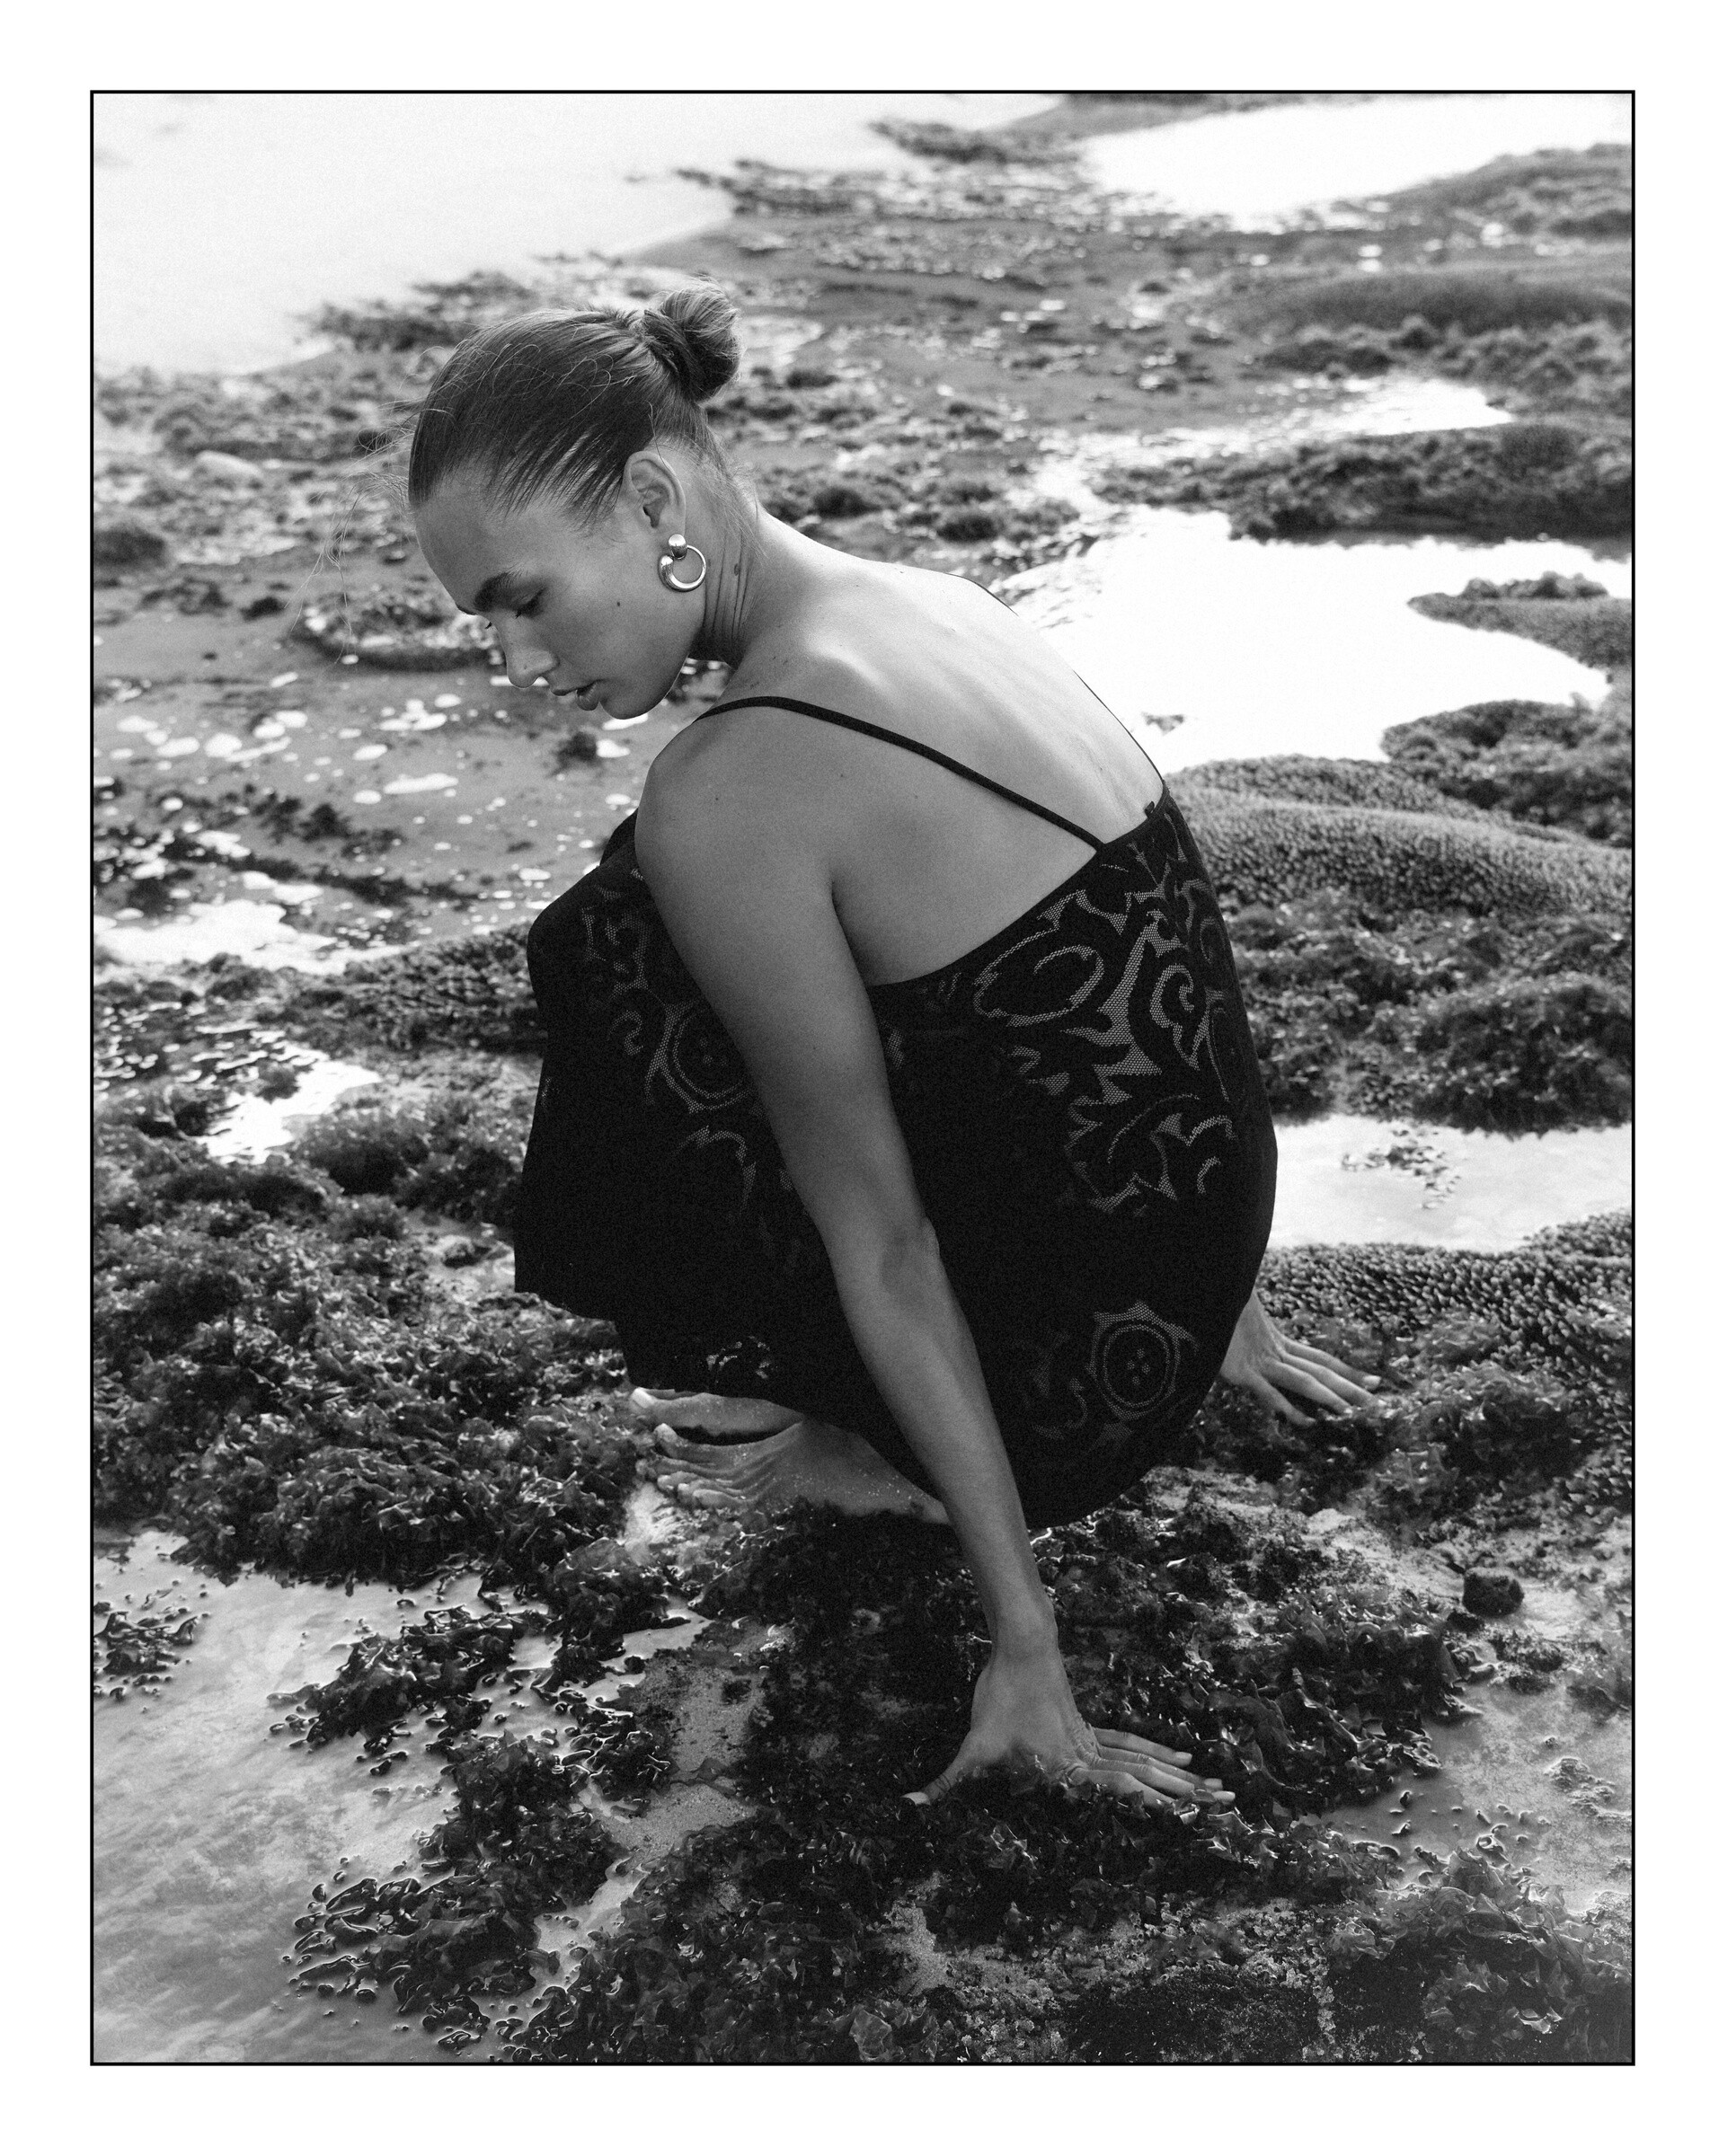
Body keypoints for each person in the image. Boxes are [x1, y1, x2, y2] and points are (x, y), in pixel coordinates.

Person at [410, 284, 1378, 1814]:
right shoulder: (930, 601)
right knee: (751, 916)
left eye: (522, 600)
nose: (516, 663)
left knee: (614, 944)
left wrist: (1026, 1648)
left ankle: (857, 1447)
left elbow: (883, 1240)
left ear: (654, 501)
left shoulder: (735, 784)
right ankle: (1125, 1336)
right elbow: (1155, 958)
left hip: (1087, 1385)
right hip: (1195, 1250)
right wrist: (1224, 1307)